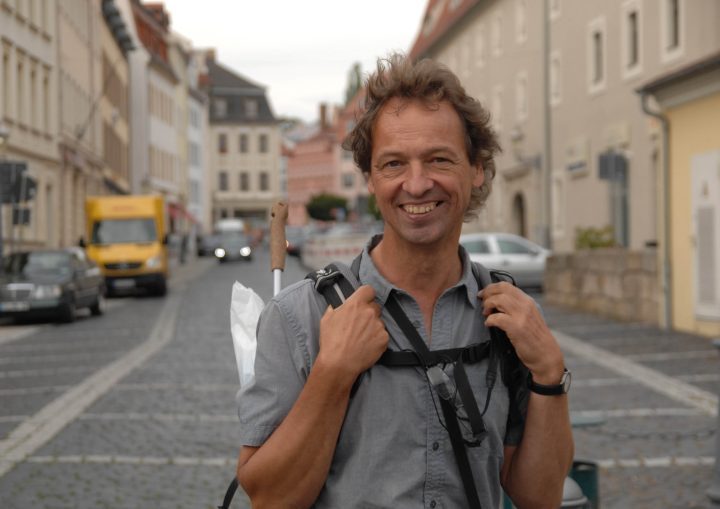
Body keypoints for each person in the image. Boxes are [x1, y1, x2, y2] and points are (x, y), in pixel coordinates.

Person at [235, 54, 573, 508]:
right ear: (370, 179)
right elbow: (270, 499)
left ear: (476, 168)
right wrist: (332, 374)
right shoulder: (299, 316)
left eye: (439, 159)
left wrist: (549, 374)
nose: (416, 185)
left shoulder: (508, 318)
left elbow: (539, 498)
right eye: (393, 164)